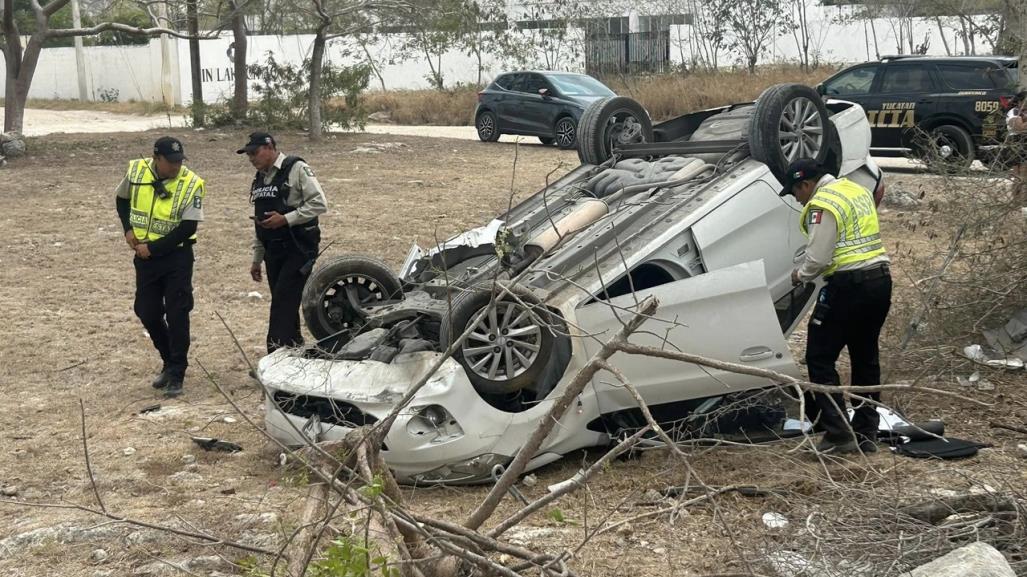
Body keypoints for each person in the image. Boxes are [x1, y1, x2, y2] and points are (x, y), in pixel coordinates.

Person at [783, 158, 892, 454]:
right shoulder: (856, 190)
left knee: (819, 357)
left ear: (805, 184)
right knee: (865, 355)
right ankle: (866, 433)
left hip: (848, 285)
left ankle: (838, 432)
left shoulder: (823, 203)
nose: (796, 198)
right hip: (880, 280)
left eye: (794, 191)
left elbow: (818, 258)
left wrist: (799, 275)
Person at [115, 136, 206, 397]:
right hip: (145, 260)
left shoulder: (191, 183)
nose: (177, 167)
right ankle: (168, 360)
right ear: (156, 158)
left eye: (180, 161)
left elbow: (188, 228)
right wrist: (128, 230)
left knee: (178, 313)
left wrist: (152, 247)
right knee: (147, 311)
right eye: (171, 162)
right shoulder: (136, 171)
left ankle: (177, 372)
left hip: (177, 257)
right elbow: (121, 199)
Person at [238, 132, 327, 353]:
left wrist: (286, 219)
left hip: (299, 248)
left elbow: (319, 203)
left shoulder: (296, 169)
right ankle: (294, 349)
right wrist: (257, 259)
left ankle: (275, 355)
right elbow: (260, 221)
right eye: (248, 154)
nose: (251, 158)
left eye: (254, 152)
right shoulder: (260, 178)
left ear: (269, 147)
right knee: (284, 302)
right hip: (273, 250)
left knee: (282, 303)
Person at [1005, 90, 1026, 199]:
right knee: (1019, 175)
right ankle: (1018, 201)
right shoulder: (1014, 112)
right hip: (1017, 143)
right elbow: (1019, 127)